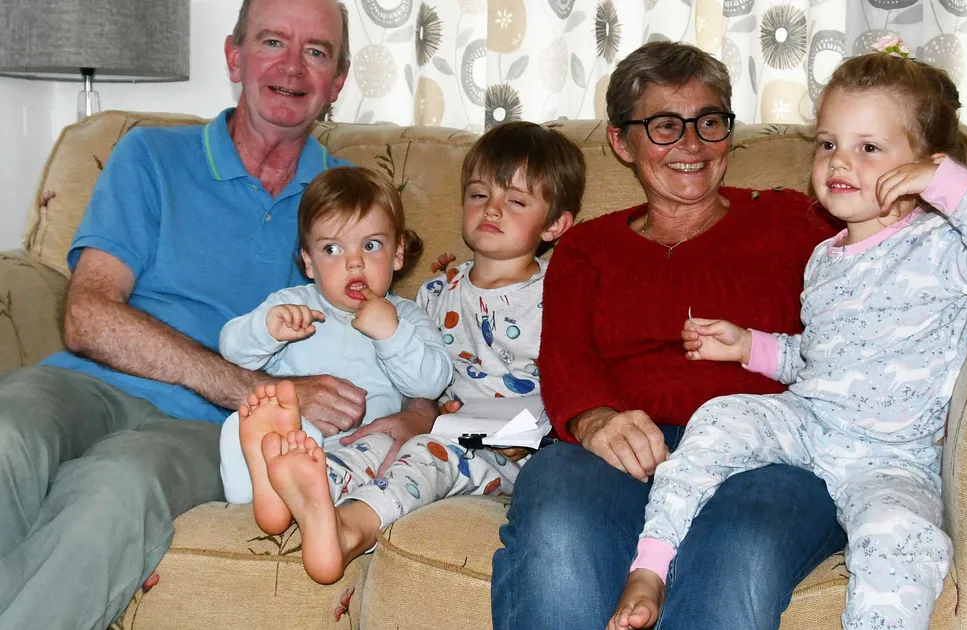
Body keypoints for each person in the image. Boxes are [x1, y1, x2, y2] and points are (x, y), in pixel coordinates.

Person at [490, 41, 967, 630]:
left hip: (779, 450)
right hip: (624, 447)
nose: (692, 145)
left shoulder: (802, 220)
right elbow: (564, 360)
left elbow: (907, 295)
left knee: (740, 543)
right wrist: (596, 419)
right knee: (558, 522)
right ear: (622, 141)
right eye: (666, 126)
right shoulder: (587, 248)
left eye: (710, 122)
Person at [0, 1, 435, 627]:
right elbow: (88, 317)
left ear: (338, 81)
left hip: (209, 432)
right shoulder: (149, 155)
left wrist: (413, 415)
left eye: (316, 51)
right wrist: (259, 387)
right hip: (83, 384)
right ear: (235, 56)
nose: (292, 66)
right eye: (272, 42)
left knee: (113, 491)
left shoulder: (353, 205)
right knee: (8, 425)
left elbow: (403, 332)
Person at [245, 120, 587, 585]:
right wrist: (411, 415)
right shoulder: (434, 292)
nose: (492, 209)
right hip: (446, 428)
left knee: (431, 451)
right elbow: (418, 377)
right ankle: (303, 493)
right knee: (370, 441)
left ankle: (351, 530)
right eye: (479, 194)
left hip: (521, 446)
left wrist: (528, 432)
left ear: (555, 224)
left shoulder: (561, 292)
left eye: (517, 200)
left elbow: (578, 380)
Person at [217, 165, 451, 534]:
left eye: (371, 245)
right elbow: (231, 351)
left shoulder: (406, 316)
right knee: (262, 422)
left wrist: (390, 333)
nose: (354, 261)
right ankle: (268, 484)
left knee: (384, 448)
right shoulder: (291, 304)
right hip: (296, 437)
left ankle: (293, 492)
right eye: (332, 249)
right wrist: (268, 329)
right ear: (309, 261)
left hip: (362, 447)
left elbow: (432, 382)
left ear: (397, 253)